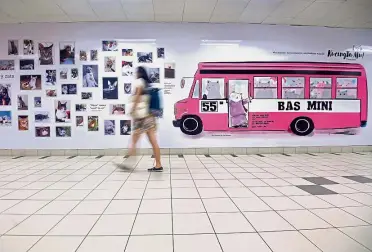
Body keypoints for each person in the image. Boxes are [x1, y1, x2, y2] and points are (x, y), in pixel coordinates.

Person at [125, 66, 163, 172]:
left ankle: (128, 164)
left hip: (140, 117)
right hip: (150, 117)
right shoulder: (148, 85)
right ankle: (158, 165)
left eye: (136, 72)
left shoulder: (139, 82)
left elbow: (137, 96)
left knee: (134, 140)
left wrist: (132, 109)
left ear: (139, 73)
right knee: (153, 142)